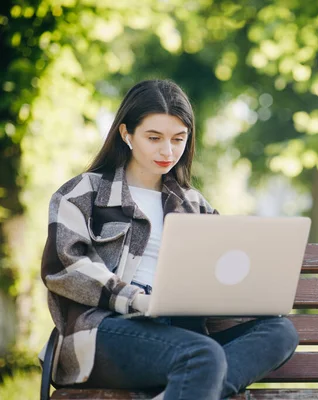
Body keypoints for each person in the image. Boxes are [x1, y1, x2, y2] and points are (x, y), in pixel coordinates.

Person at [40, 79, 299, 400]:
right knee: (202, 357)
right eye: (154, 138)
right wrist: (135, 298)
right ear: (126, 134)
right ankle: (193, 383)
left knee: (279, 331)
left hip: (180, 333)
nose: (168, 150)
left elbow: (220, 270)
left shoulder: (194, 203)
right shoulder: (84, 192)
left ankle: (185, 390)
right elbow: (64, 268)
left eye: (179, 139)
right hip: (104, 332)